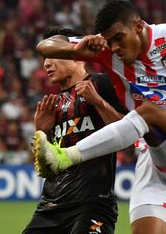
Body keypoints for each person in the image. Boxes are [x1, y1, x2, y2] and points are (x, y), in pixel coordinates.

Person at [33, 0, 166, 234]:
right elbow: (46, 46)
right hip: (153, 161)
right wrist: (81, 45)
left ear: (137, 26)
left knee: (149, 111)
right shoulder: (105, 50)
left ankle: (64, 157)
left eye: (119, 38)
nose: (114, 48)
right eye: (110, 42)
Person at [22, 27, 127, 234]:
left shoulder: (102, 83)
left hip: (92, 205)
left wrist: (98, 102)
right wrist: (41, 132)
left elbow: (128, 133)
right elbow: (44, 167)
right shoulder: (52, 104)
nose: (46, 64)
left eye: (53, 56)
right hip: (50, 208)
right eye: (44, 58)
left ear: (77, 56)